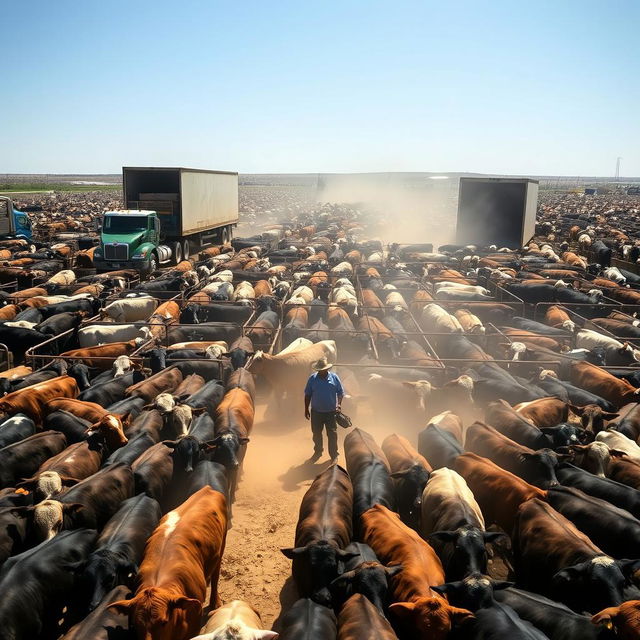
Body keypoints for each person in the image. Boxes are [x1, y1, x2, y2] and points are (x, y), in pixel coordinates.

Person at [304, 356, 344, 463]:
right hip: (316, 412)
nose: (321, 372)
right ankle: (318, 452)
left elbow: (340, 393)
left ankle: (334, 455)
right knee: (316, 433)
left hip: (331, 412)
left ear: (327, 369)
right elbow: (307, 394)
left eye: (323, 370)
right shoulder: (312, 379)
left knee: (332, 434)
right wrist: (306, 409)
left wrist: (338, 405)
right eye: (319, 370)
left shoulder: (334, 378)